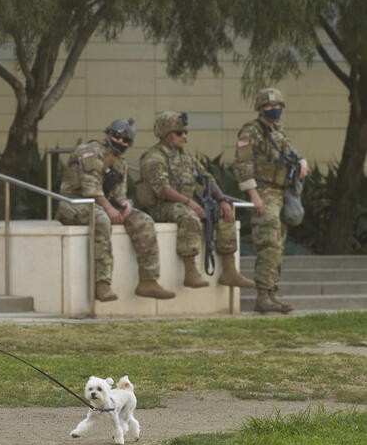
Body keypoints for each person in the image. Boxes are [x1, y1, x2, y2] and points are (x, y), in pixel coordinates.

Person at [56, 118, 175, 302]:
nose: (121, 141)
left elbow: (119, 192)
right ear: (108, 134)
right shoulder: (91, 152)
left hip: (102, 203)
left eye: (126, 140)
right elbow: (91, 189)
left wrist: (125, 204)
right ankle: (102, 284)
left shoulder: (120, 162)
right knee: (102, 219)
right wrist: (111, 209)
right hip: (75, 202)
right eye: (117, 136)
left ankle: (148, 281)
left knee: (143, 221)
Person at [139, 111, 254, 290]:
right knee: (189, 216)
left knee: (224, 214)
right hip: (163, 206)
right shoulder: (154, 157)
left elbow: (207, 178)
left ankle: (229, 271)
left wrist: (222, 200)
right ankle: (190, 271)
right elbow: (163, 189)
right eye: (179, 133)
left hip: (185, 203)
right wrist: (189, 203)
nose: (184, 136)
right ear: (165, 135)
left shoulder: (185, 156)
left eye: (185, 132)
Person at [233, 88, 309, 313]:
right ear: (260, 108)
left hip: (281, 192)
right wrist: (254, 196)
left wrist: (301, 162)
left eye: (277, 106)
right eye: (268, 106)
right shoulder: (251, 132)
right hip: (264, 193)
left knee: (277, 246)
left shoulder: (278, 131)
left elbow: (290, 155)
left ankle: (271, 293)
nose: (274, 109)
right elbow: (242, 165)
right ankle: (263, 296)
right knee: (268, 243)